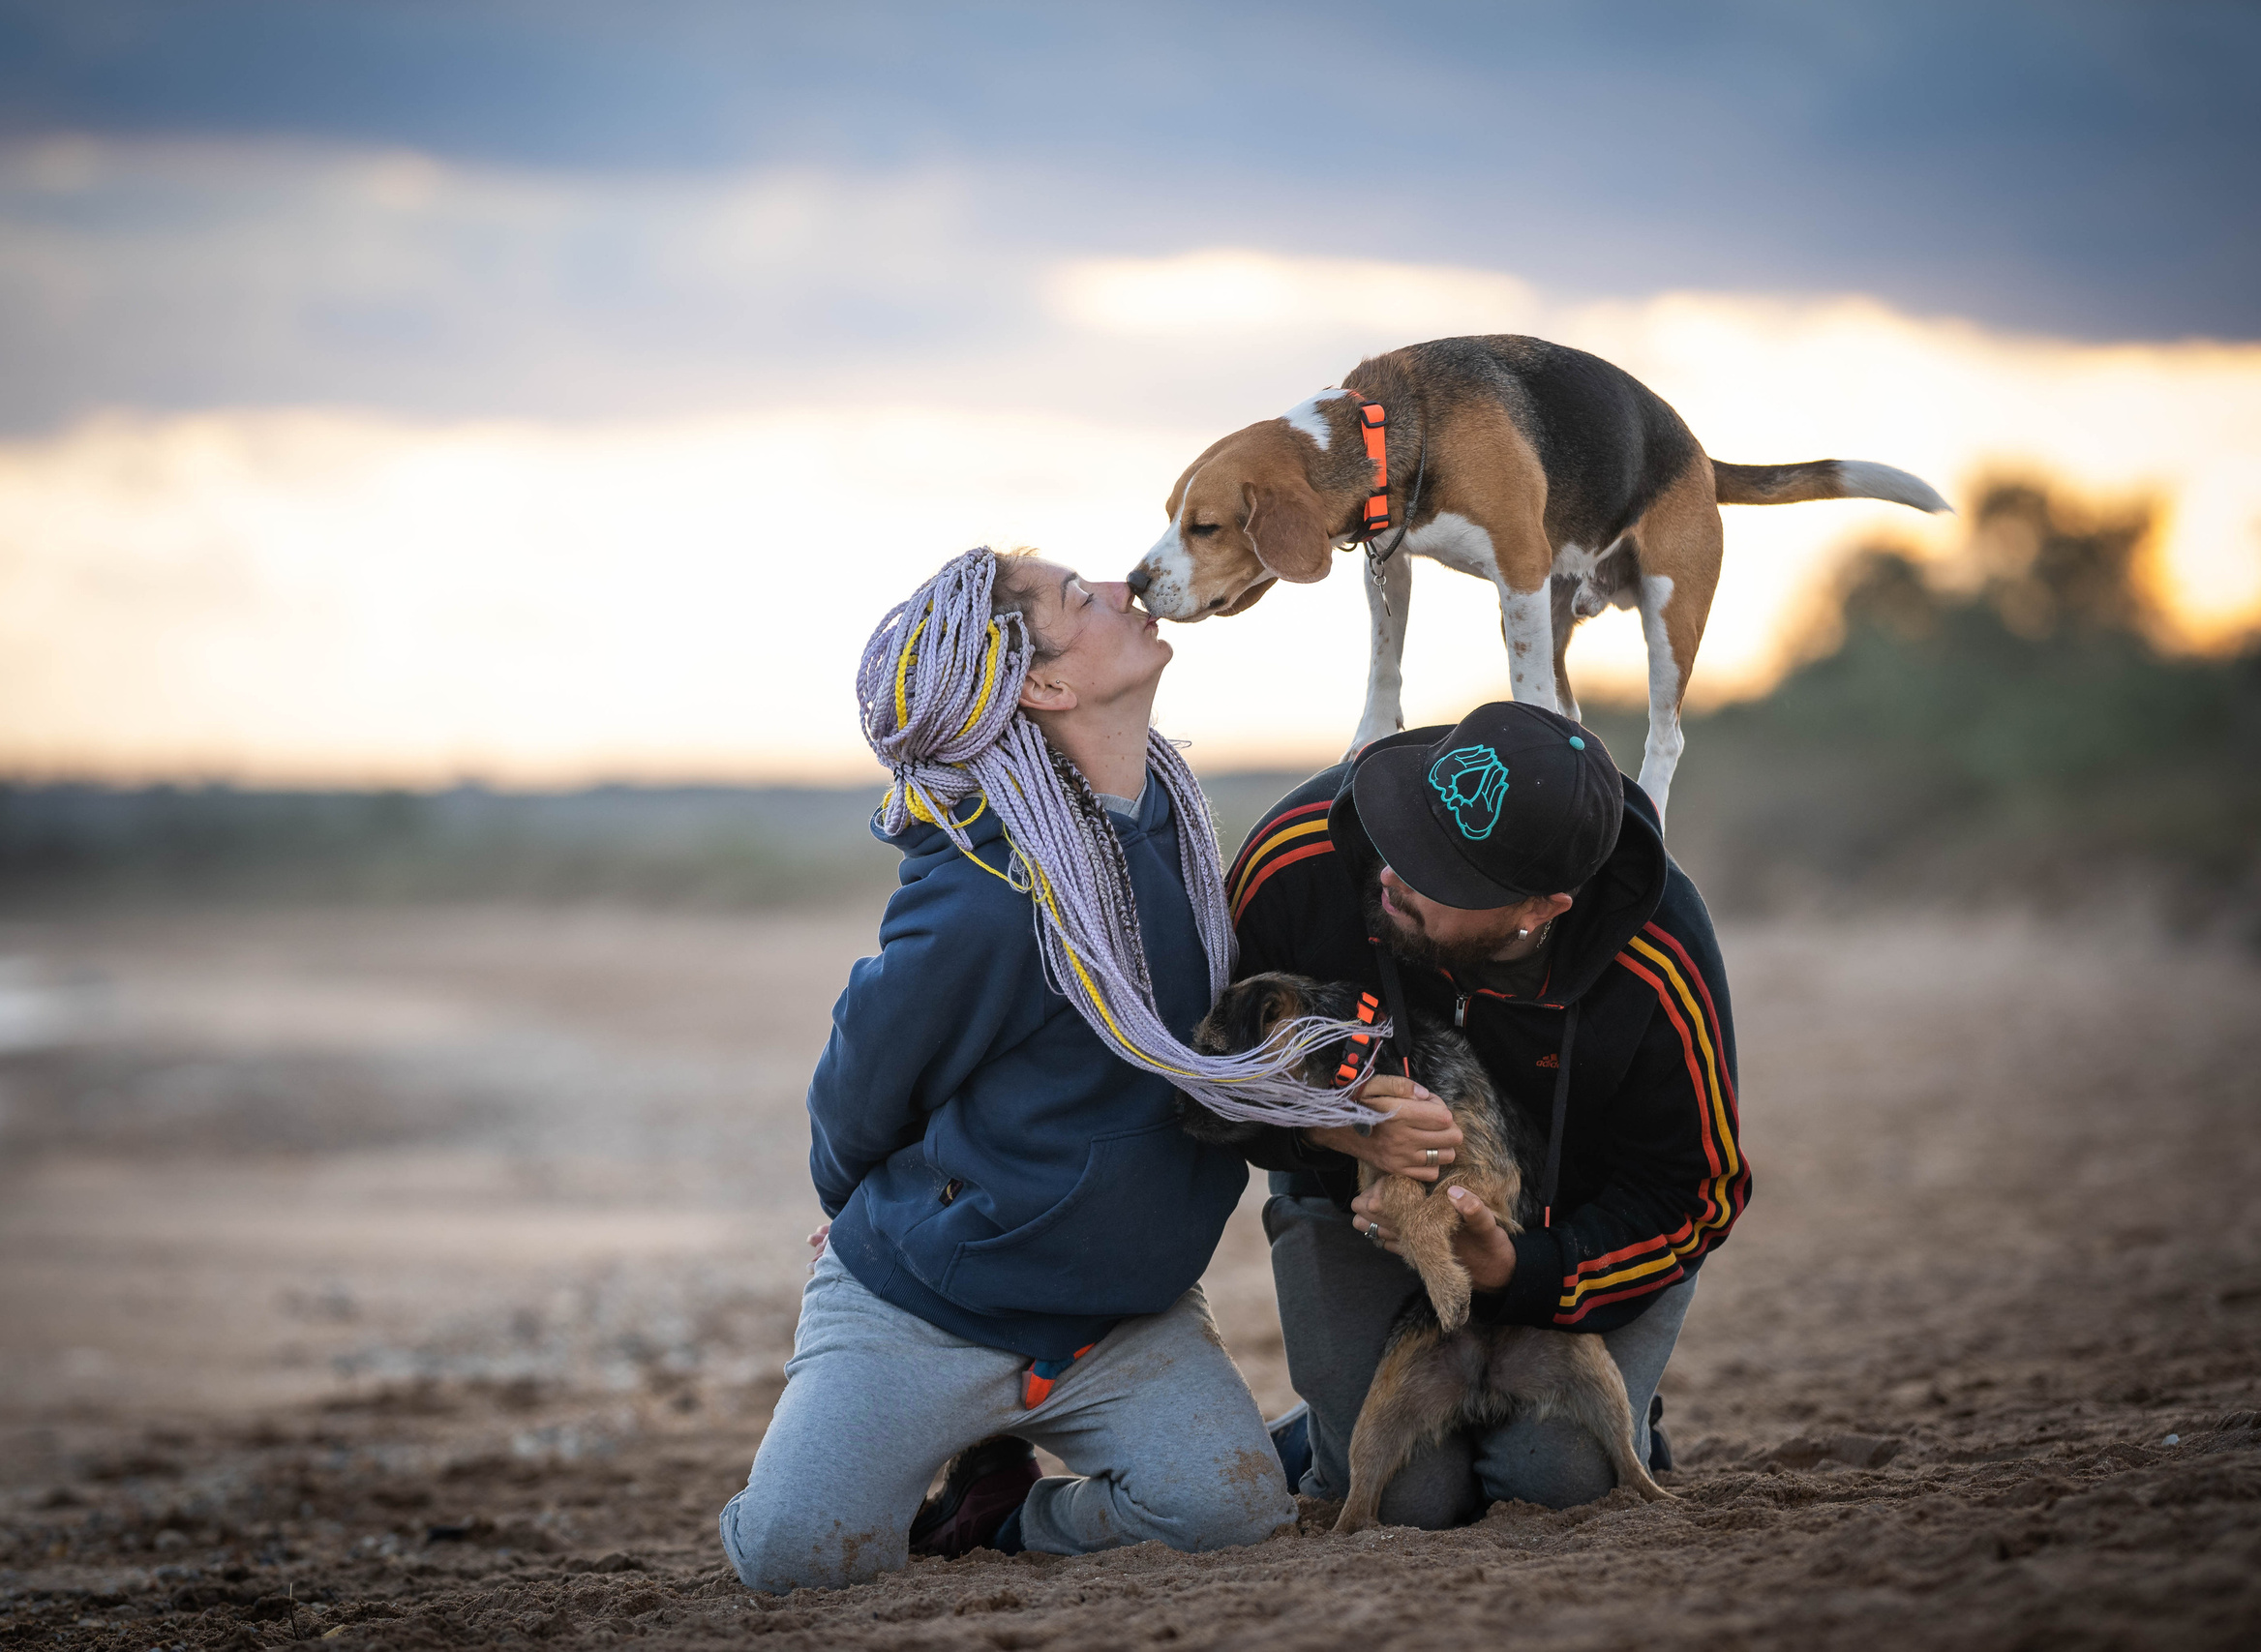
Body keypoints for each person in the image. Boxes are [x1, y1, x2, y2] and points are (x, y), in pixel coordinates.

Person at [720, 546, 1342, 1593]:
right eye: (1076, 595)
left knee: (1230, 1516)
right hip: (930, 1310)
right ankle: (888, 1442)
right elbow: (860, 1086)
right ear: (1043, 685)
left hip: (1118, 1317)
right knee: (798, 1563)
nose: (1119, 586)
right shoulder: (985, 890)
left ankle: (1003, 1516)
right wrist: (870, 1208)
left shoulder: (1183, 836)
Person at [1226, 700, 1751, 1526]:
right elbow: (1193, 1074)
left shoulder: (1660, 953)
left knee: (1563, 1479)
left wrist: (1525, 1269)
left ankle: (1618, 1392)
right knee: (1406, 1497)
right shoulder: (1302, 859)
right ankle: (1322, 1437)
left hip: (1575, 1231)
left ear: (1542, 908)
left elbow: (1697, 1189)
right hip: (1347, 1211)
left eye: (1442, 873)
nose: (1393, 871)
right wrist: (1327, 1123)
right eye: (1408, 830)